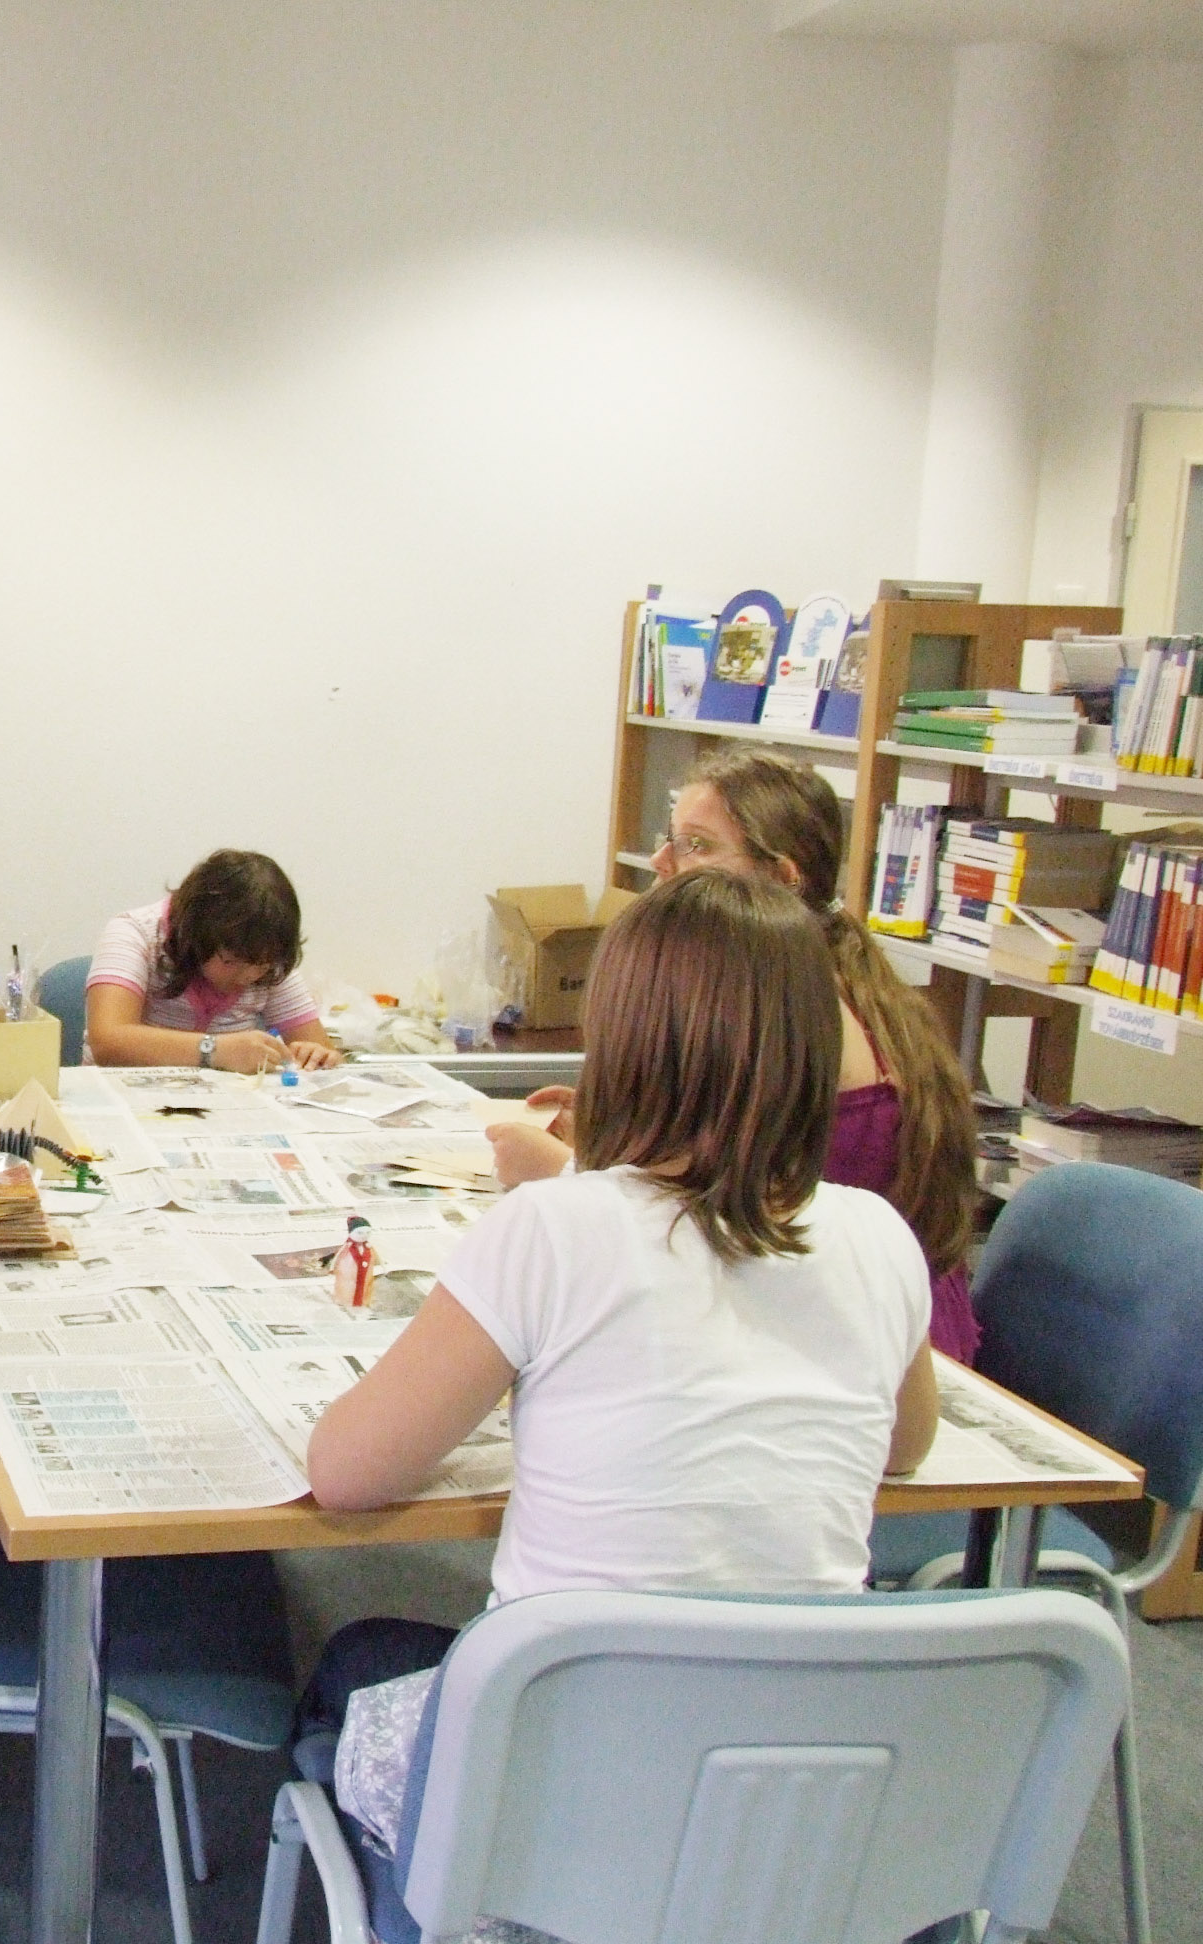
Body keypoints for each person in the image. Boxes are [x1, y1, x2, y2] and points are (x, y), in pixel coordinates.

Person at [296, 869, 939, 1937]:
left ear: (626, 1040)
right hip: (789, 1815)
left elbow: (345, 1474)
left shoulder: (554, 1228)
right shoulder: (876, 1234)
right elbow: (906, 1446)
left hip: (560, 1821)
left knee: (349, 1669)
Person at [486, 747, 982, 1361]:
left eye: (696, 845)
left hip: (867, 1345)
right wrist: (617, 1130)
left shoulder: (789, 1011)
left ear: (781, 877)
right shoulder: (827, 978)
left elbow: (713, 1230)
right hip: (831, 1310)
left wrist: (567, 1171)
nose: (662, 862)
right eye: (670, 839)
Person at [85, 849, 340, 1071]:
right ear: (197, 935)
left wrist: (317, 1057)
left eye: (263, 965)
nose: (249, 976)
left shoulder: (265, 955)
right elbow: (107, 1041)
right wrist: (215, 1050)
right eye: (231, 961)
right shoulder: (135, 933)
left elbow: (324, 1052)